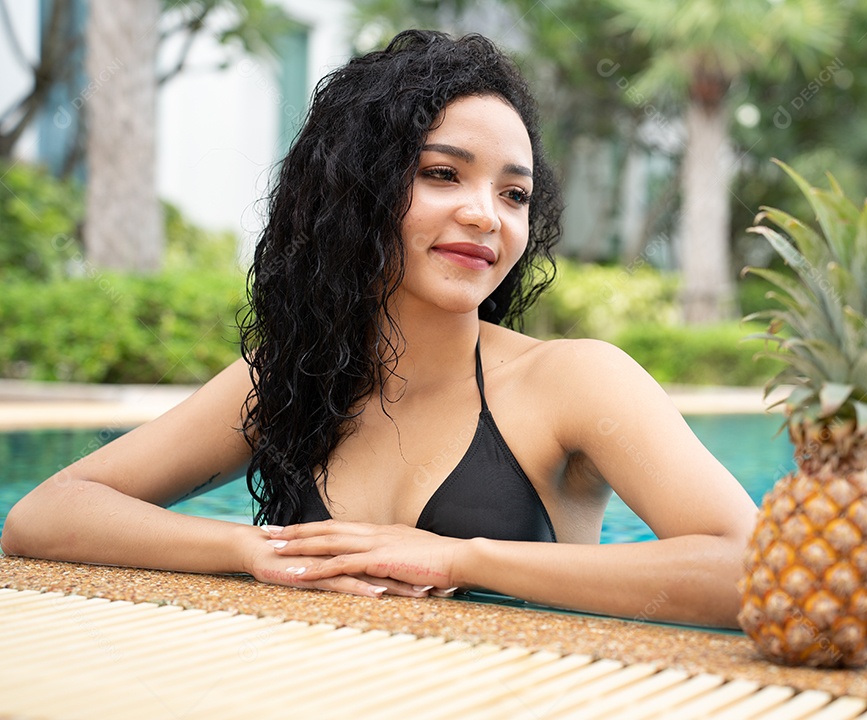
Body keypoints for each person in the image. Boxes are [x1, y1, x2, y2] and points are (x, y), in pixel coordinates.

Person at [1, 30, 756, 627]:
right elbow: (46, 515)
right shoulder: (295, 378)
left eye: (515, 192)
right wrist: (256, 550)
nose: (486, 215)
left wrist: (461, 561)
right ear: (356, 190)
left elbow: (754, 569)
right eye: (441, 174)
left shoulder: (573, 381)